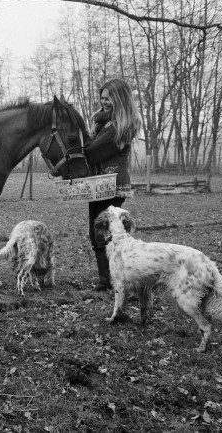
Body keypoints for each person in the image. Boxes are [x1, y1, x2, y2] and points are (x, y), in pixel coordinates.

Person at [84, 78, 141, 291]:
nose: (104, 101)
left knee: (107, 232)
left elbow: (93, 152)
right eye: (102, 97)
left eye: (108, 98)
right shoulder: (104, 123)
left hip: (111, 185)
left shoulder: (119, 126)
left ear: (119, 99)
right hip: (98, 185)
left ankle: (113, 279)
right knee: (99, 231)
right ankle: (106, 279)